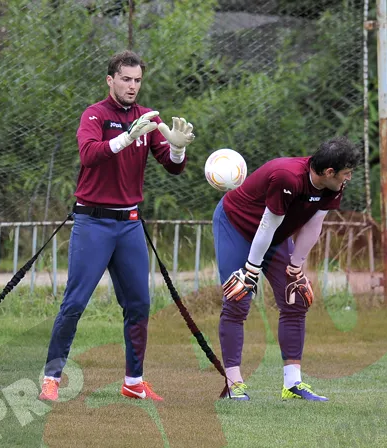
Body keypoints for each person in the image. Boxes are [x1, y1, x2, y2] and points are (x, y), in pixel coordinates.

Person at [39, 50, 195, 402]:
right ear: (110, 80)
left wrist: (177, 150)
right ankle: (52, 376)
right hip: (93, 222)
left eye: (137, 80)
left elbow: (171, 168)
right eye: (126, 79)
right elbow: (89, 154)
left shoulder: (147, 118)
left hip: (129, 225)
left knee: (139, 304)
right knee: (75, 303)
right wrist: (126, 137)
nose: (132, 86)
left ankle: (133, 380)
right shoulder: (94, 114)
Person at [213, 137, 358, 401]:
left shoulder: (333, 185)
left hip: (274, 236)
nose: (348, 179)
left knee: (296, 299)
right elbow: (266, 225)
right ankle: (234, 384)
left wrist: (296, 267)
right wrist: (251, 270)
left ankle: (292, 384)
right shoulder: (287, 177)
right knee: (238, 298)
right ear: (329, 172)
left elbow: (314, 225)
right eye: (346, 174)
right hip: (237, 225)